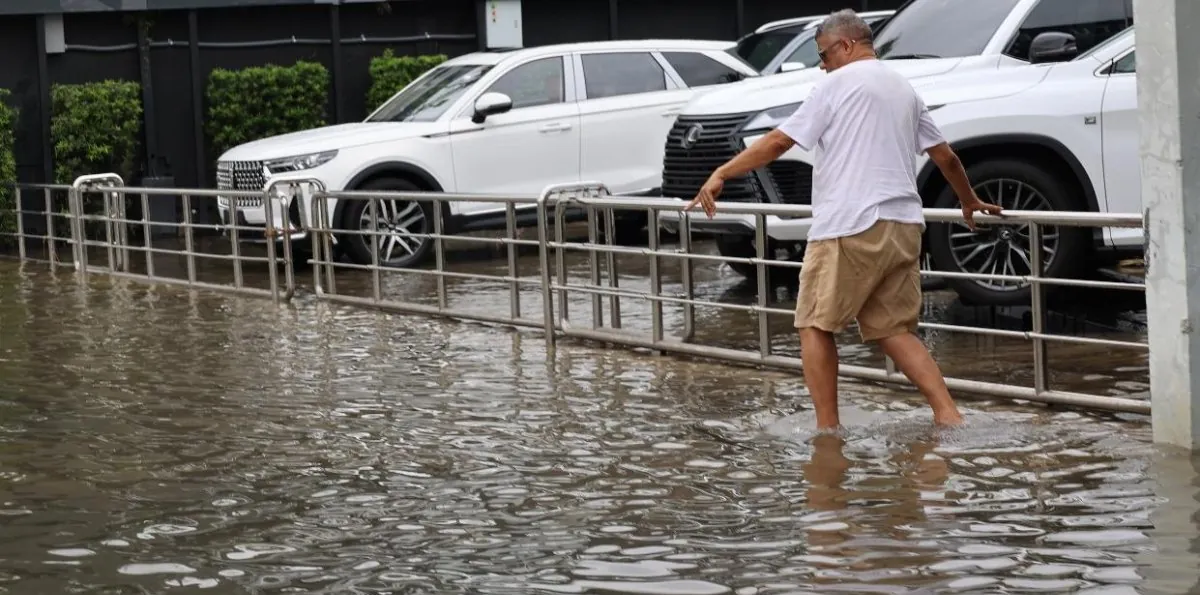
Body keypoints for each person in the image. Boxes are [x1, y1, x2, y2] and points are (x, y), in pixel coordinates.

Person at [685, 8, 1003, 431]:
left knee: (814, 325)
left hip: (849, 224)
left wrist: (722, 172)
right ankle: (949, 415)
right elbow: (945, 155)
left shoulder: (836, 85)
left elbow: (780, 141)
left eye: (823, 54)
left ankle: (827, 430)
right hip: (903, 225)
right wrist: (968, 200)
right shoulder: (903, 87)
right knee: (893, 330)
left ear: (847, 45)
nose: (822, 64)